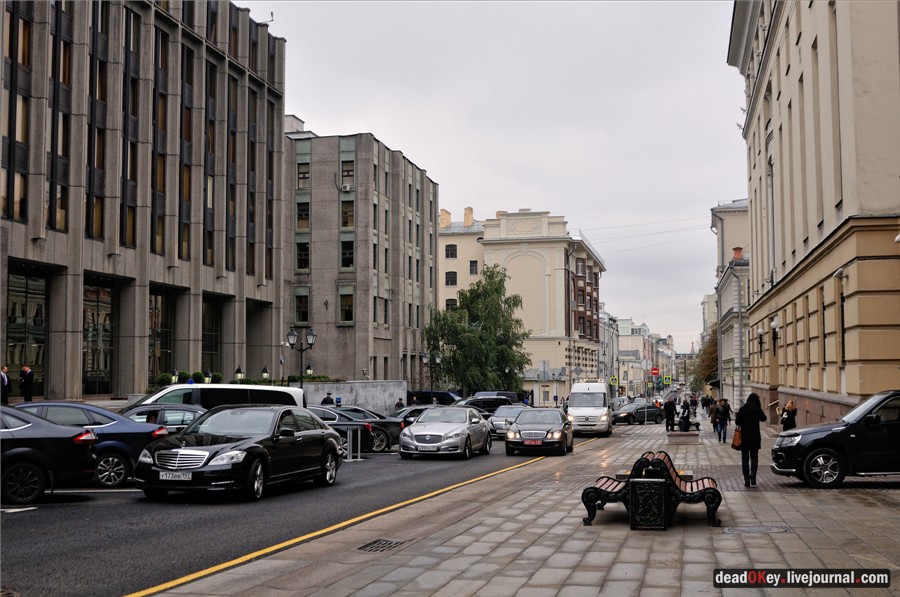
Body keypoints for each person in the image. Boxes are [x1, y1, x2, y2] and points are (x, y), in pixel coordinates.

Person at [735, 393, 768, 487]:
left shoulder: (743, 409)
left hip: (744, 438)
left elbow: (737, 421)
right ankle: (753, 476)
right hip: (755, 438)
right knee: (754, 458)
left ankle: (746, 480)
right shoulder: (757, 410)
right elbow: (764, 419)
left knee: (745, 459)